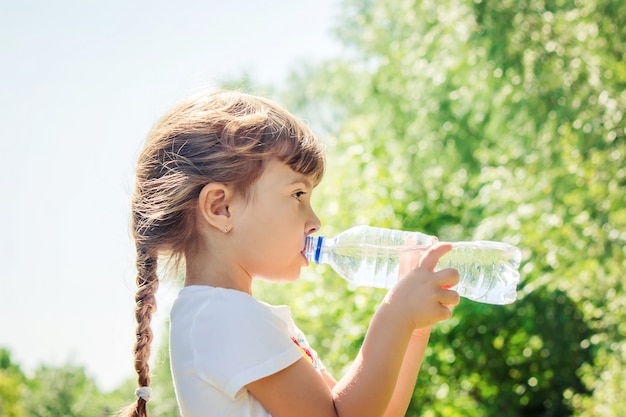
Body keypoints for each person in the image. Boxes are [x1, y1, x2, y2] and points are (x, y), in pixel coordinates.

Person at [120, 89, 460, 417]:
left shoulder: (230, 314)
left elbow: (374, 410)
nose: (314, 221)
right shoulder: (221, 316)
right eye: (298, 194)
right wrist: (394, 316)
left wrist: (413, 330)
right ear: (221, 208)